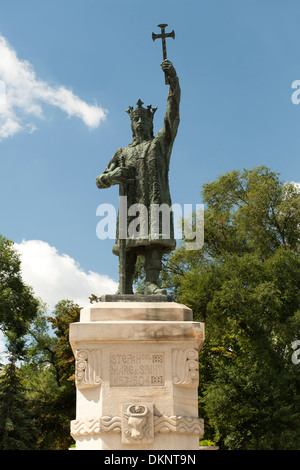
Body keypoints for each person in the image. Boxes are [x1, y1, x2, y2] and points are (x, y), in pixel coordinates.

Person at [96, 59, 180, 295]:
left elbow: (173, 116)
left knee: (154, 240)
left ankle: (151, 284)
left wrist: (173, 82)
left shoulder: (160, 144)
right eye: (136, 119)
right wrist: (112, 175)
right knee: (128, 245)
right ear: (132, 125)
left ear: (151, 123)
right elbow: (99, 179)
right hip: (130, 203)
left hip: (154, 202)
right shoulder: (122, 153)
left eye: (144, 119)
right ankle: (125, 287)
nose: (140, 122)